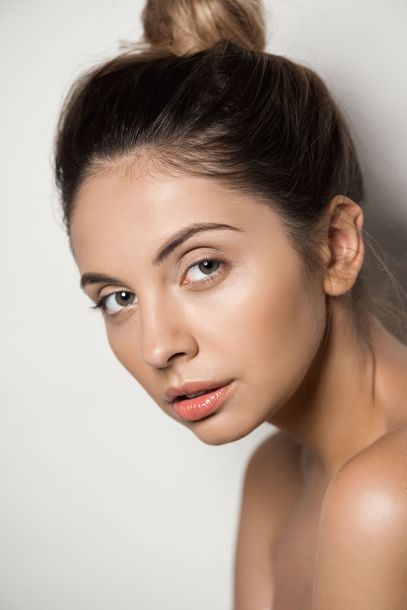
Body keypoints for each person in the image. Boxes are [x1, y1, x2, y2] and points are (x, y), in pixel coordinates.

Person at [54, 1, 407, 608]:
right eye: (118, 297)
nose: (158, 346)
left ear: (334, 246)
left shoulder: (386, 498)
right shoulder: (275, 477)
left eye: (203, 266)